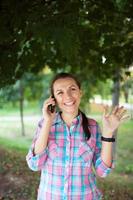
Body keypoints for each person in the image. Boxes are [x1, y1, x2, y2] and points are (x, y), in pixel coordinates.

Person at [26, 72, 129, 200]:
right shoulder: (45, 124)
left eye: (72, 89)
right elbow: (34, 164)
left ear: (80, 92)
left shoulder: (92, 126)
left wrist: (108, 133)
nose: (68, 96)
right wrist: (48, 121)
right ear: (54, 99)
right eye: (60, 93)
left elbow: (102, 171)